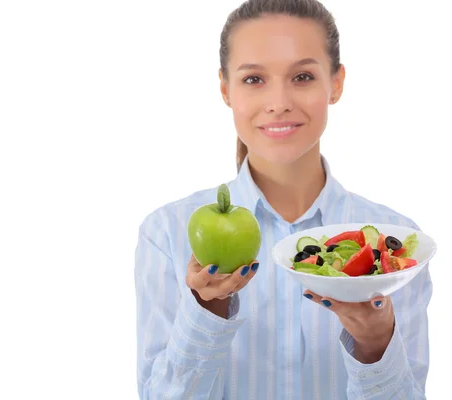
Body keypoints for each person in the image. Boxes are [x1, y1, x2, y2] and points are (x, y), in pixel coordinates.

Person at [134, 0, 433, 398]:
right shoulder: (167, 234)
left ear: (337, 83)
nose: (278, 102)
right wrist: (207, 311)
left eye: (303, 76)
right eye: (254, 79)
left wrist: (375, 348)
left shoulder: (391, 247)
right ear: (225, 89)